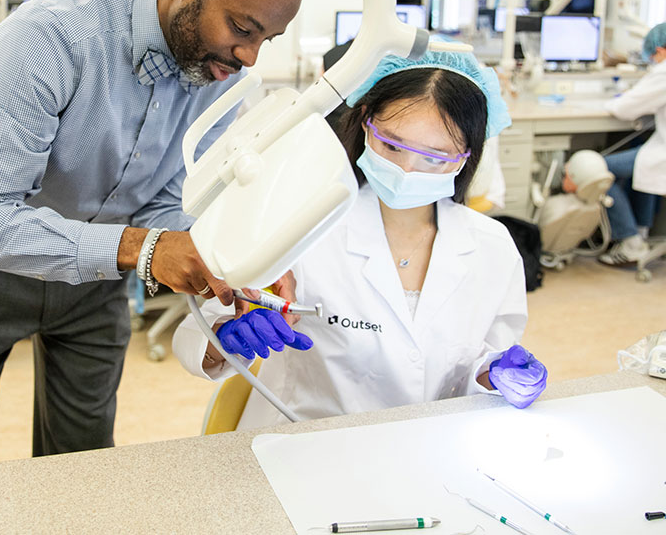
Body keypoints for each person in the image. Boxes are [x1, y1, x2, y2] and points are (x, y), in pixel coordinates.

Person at [0, 0, 306, 470]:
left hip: (100, 268)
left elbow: (168, 198)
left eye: (268, 38)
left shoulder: (222, 78)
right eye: (242, 28)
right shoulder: (50, 38)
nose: (248, 57)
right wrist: (142, 249)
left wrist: (233, 263)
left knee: (85, 457)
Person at [173, 49, 547, 429]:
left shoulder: (492, 247)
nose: (406, 170)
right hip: (302, 451)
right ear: (366, 122)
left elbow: (482, 360)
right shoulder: (299, 221)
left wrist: (495, 375)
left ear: (467, 157)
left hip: (428, 450)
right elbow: (196, 336)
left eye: (434, 158)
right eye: (392, 146)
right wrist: (224, 337)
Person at [599, 23, 666, 265]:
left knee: (601, 169)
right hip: (658, 149)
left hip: (662, 155)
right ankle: (641, 230)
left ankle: (630, 242)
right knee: (640, 157)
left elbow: (624, 109)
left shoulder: (663, 72)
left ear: (659, 50)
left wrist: (613, 101)